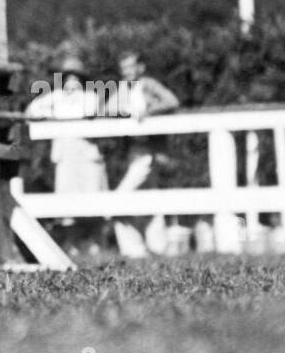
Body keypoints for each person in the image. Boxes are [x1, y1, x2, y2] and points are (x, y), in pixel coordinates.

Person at [25, 54, 108, 254]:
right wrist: (51, 119)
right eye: (68, 76)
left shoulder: (92, 96)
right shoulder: (53, 97)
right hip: (65, 152)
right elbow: (31, 112)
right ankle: (72, 245)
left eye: (76, 76)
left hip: (87, 150)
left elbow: (91, 114)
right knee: (66, 198)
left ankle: (96, 244)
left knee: (93, 197)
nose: (73, 80)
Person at [112, 51, 180, 256]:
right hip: (132, 151)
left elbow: (171, 101)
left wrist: (148, 111)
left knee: (118, 199)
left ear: (140, 67)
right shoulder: (123, 89)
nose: (127, 72)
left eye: (131, 67)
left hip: (150, 152)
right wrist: (121, 110)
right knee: (150, 197)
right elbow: (106, 108)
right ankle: (157, 246)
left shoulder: (148, 84)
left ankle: (135, 248)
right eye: (123, 68)